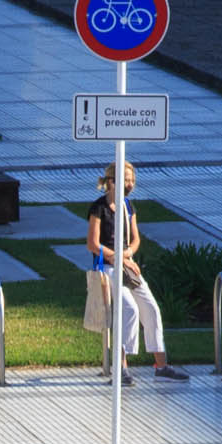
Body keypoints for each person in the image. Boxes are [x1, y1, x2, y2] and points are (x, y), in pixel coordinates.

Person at [86, 162, 180, 383]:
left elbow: (136, 239)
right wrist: (118, 257)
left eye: (131, 181)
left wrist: (127, 254)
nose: (129, 185)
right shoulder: (98, 208)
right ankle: (122, 368)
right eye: (125, 180)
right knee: (128, 309)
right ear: (111, 181)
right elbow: (92, 243)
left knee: (151, 308)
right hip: (108, 267)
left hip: (127, 267)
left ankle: (161, 365)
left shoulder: (129, 207)